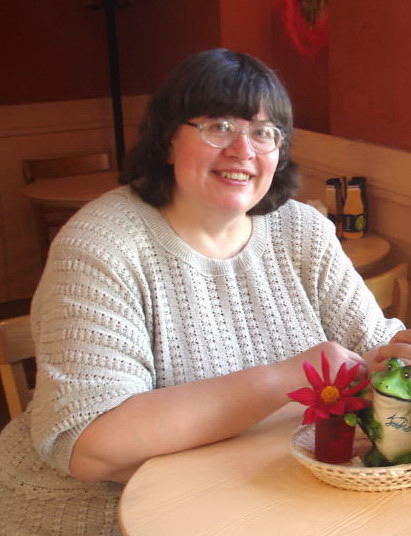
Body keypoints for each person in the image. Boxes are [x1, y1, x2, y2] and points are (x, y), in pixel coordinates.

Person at [0, 48, 410, 535]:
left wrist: (398, 359)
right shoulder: (102, 244)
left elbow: (377, 349)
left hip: (261, 493)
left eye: (264, 132)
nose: (243, 150)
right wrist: (291, 375)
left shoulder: (302, 230)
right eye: (219, 126)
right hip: (104, 515)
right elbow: (90, 443)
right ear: (167, 140)